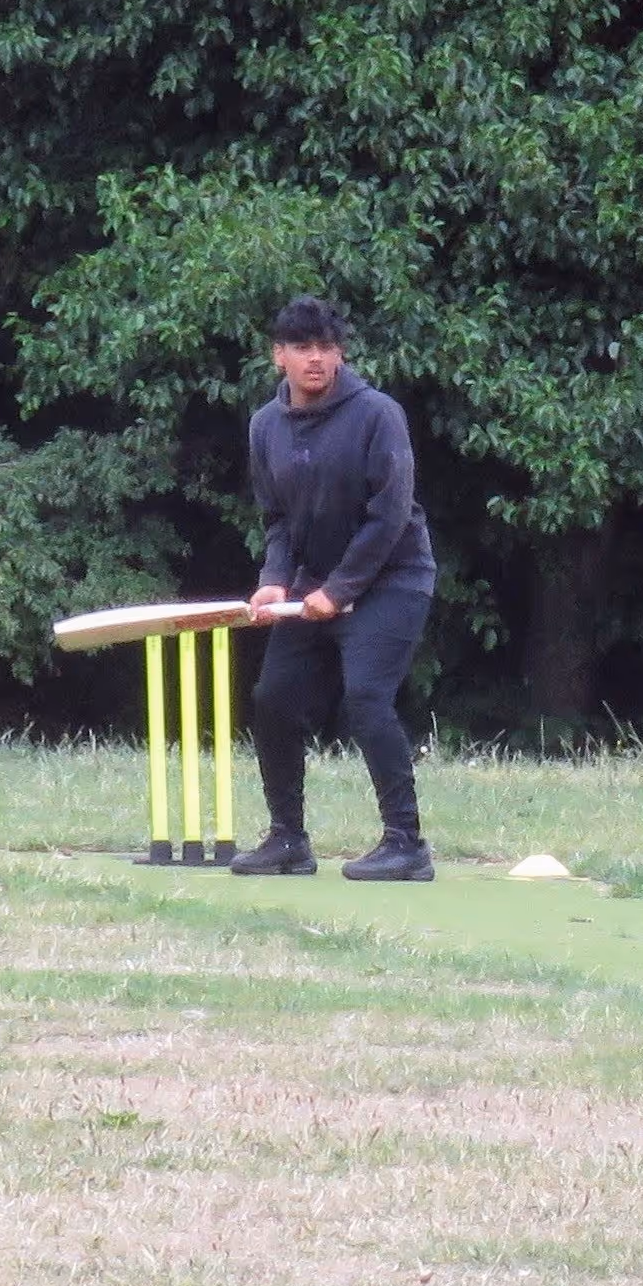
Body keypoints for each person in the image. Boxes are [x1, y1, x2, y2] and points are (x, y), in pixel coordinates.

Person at [229, 297, 439, 881]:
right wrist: (274, 582)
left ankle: (407, 846)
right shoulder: (264, 426)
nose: (315, 359)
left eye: (325, 348)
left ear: (341, 353)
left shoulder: (377, 414)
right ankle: (288, 841)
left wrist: (341, 589)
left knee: (366, 697)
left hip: (392, 578)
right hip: (311, 586)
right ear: (279, 356)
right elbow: (277, 520)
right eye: (302, 348)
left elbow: (390, 513)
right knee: (273, 699)